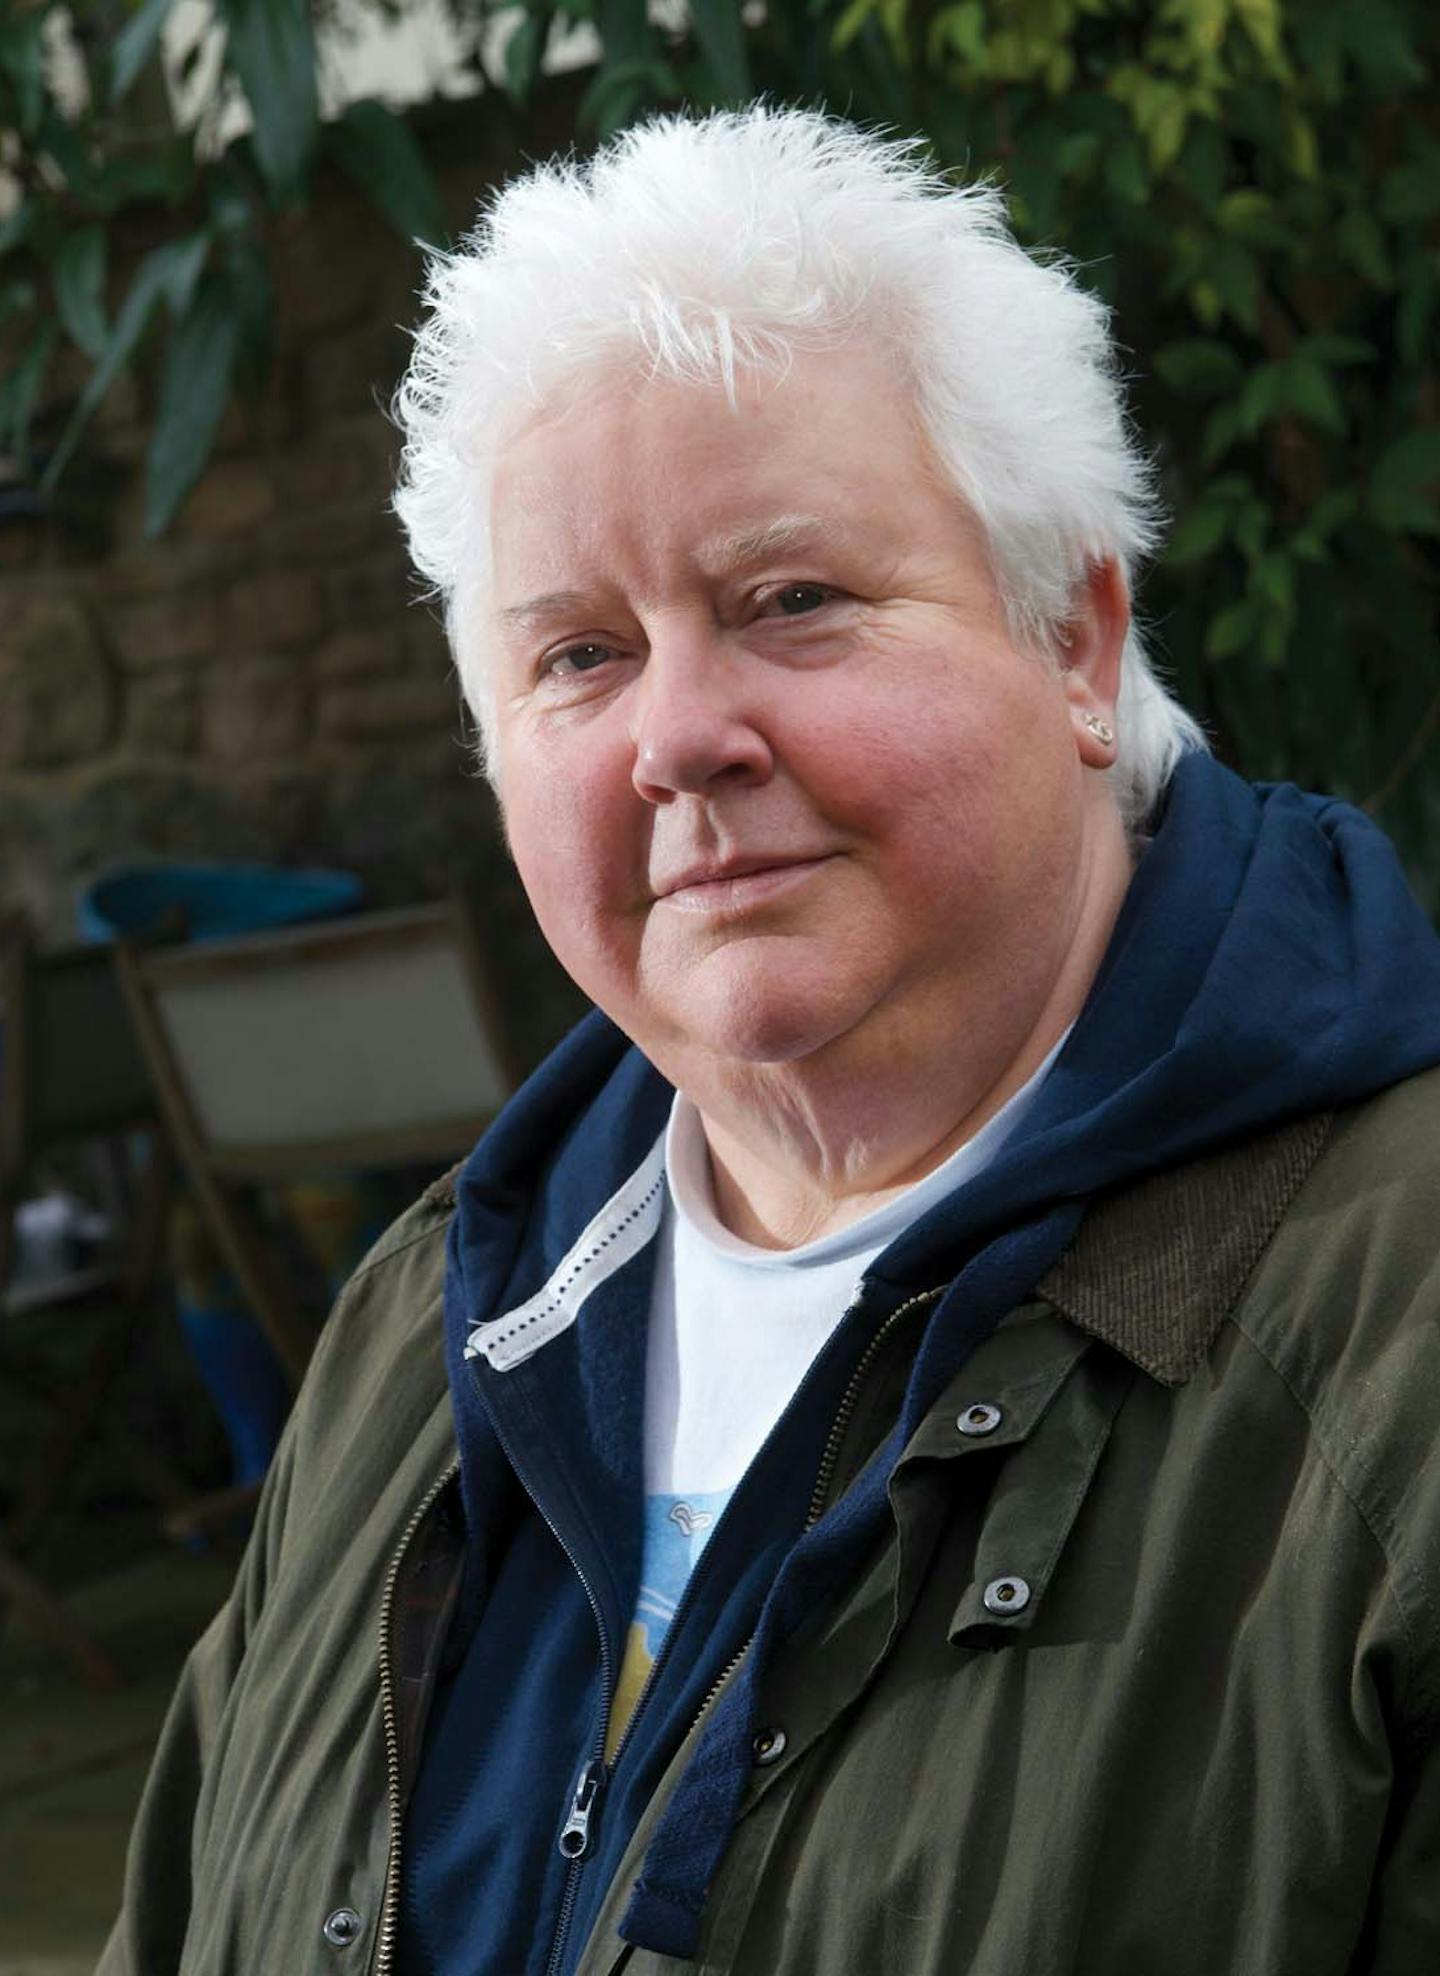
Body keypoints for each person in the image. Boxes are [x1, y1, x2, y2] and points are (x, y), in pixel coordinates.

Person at [102, 107, 1440, 1976]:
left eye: (790, 600)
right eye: (576, 652)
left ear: (1076, 641)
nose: (678, 734)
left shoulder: (1394, 1347)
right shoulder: (429, 1339)